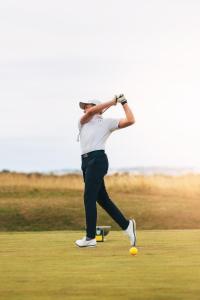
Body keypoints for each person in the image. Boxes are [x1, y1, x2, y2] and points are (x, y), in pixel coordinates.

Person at [75, 94, 136, 248]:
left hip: (98, 160)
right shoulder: (82, 122)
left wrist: (123, 103)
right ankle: (127, 225)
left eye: (87, 106)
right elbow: (90, 113)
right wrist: (112, 101)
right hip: (86, 162)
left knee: (89, 196)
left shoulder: (106, 123)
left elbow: (130, 120)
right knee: (102, 199)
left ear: (98, 109)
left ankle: (90, 238)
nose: (84, 110)